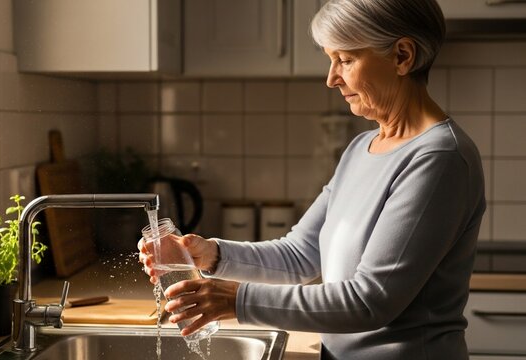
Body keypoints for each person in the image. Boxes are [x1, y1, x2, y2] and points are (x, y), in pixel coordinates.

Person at [138, 0, 486, 358]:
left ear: (402, 56)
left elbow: (371, 301)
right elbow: (301, 255)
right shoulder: (362, 147)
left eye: (346, 60)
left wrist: (236, 300)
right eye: (331, 59)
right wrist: (210, 254)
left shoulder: (440, 158)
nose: (331, 78)